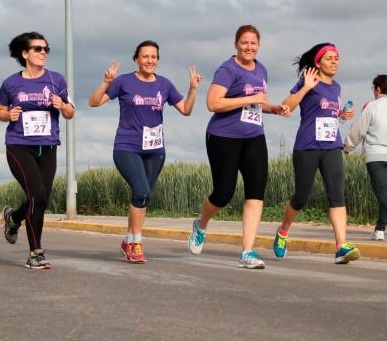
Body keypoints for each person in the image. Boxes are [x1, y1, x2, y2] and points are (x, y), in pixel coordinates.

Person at [185, 25, 290, 269]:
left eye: (253, 43)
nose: (249, 47)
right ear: (236, 44)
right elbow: (213, 103)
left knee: (256, 191)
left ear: (259, 46)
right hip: (223, 137)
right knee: (223, 194)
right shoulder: (227, 69)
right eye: (244, 43)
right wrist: (250, 98)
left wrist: (274, 108)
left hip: (254, 137)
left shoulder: (261, 69)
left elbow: (258, 104)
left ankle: (248, 251)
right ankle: (200, 225)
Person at [89, 40, 202, 263]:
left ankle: (128, 240)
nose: (150, 60)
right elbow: (94, 102)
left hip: (155, 149)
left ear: (157, 60)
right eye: (145, 56)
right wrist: (105, 83)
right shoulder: (124, 82)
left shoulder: (165, 85)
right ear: (136, 59)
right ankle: (136, 242)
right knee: (141, 191)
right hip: (127, 147)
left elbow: (186, 110)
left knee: (143, 196)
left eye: (153, 57)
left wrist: (193, 89)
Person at [272, 42, 360, 264]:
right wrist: (305, 87)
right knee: (301, 198)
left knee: (337, 195)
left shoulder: (337, 87)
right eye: (329, 58)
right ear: (318, 62)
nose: (334, 62)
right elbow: (286, 107)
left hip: (332, 146)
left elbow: (326, 111)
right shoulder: (308, 79)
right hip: (308, 146)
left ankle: (341, 246)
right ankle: (283, 231)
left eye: (336, 58)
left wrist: (341, 114)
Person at [0, 31, 74, 269]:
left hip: (48, 146)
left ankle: (14, 218)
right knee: (37, 196)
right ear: (25, 53)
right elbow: (0, 111)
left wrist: (62, 106)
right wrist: (8, 115)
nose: (43, 53)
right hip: (19, 145)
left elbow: (71, 112)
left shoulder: (56, 79)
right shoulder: (11, 83)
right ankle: (35, 253)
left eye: (46, 49)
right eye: (38, 49)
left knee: (40, 200)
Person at [344, 74, 387, 242]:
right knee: (386, 192)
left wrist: (348, 147)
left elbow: (359, 129)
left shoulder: (371, 106)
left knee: (382, 192)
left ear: (378, 89)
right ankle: (379, 230)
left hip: (376, 156)